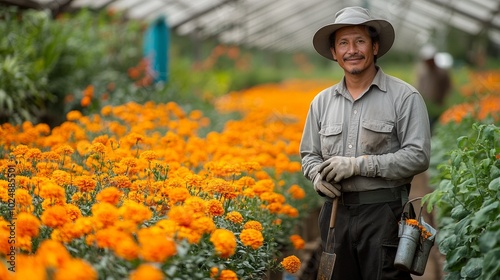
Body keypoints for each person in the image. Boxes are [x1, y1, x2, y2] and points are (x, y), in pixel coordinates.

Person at [300, 6, 431, 280]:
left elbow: (418, 156)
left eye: (360, 41)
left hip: (384, 213)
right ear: (334, 53)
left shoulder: (404, 97)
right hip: (335, 216)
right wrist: (315, 177)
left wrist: (360, 165)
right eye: (343, 43)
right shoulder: (321, 103)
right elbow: (309, 155)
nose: (352, 50)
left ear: (375, 46)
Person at [415, 44, 452, 131]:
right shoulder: (422, 72)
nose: (428, 62)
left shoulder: (442, 72)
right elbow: (418, 86)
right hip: (425, 105)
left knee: (438, 127)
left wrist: (443, 99)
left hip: (438, 105)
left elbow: (448, 86)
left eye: (430, 60)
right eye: (426, 60)